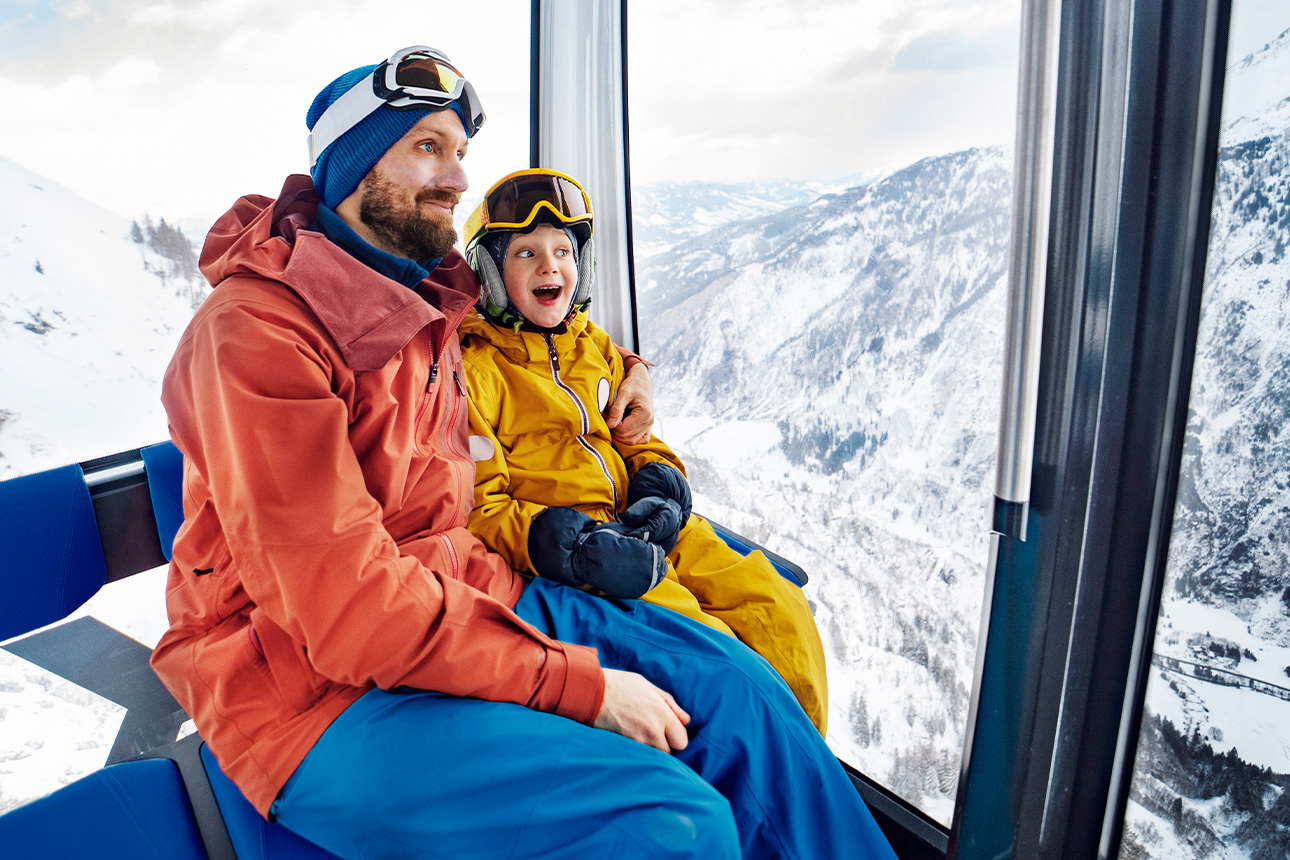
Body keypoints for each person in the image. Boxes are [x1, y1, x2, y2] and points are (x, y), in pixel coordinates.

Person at [150, 44, 897, 860]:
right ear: (352, 168)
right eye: (427, 147)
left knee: (740, 695)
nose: (457, 178)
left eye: (461, 153)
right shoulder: (258, 336)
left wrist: (636, 390)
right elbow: (345, 608)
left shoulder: (416, 300)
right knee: (674, 824)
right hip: (308, 690)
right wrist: (583, 686)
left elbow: (559, 351)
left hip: (462, 588)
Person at [459, 168, 829, 734]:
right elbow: (480, 510)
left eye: (562, 250)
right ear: (490, 271)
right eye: (526, 253)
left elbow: (634, 435)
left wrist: (659, 479)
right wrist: (574, 547)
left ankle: (805, 764)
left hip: (641, 525)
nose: (548, 265)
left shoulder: (594, 346)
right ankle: (765, 757)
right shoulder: (479, 371)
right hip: (589, 554)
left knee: (780, 611)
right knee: (725, 661)